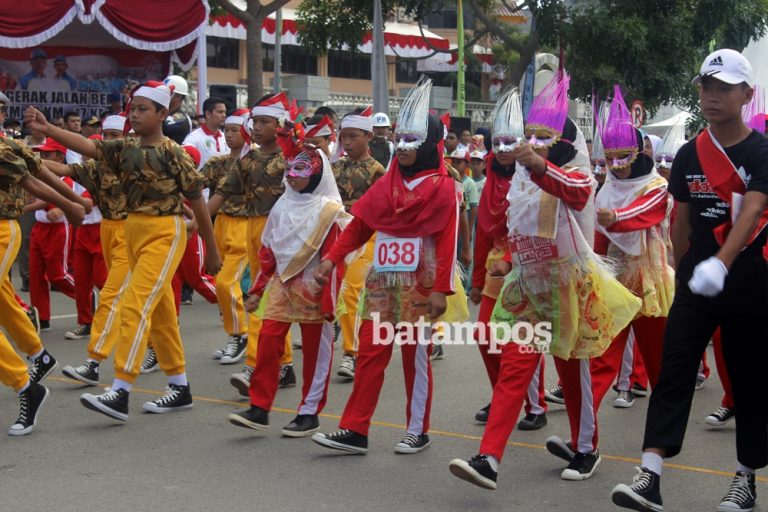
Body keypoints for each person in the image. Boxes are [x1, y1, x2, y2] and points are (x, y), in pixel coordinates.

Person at [449, 71, 641, 489]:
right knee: (515, 369)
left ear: (564, 143)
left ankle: (586, 447)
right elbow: (521, 229)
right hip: (530, 287)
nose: (534, 141)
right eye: (531, 134)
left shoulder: (579, 175)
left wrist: (538, 166)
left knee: (573, 372)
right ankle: (488, 458)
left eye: (544, 136)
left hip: (572, 287)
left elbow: (573, 191)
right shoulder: (521, 179)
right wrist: (506, 263)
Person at [611, 48, 768, 512]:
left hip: (749, 278)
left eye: (723, 88)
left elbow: (755, 208)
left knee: (749, 377)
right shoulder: (688, 155)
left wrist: (722, 261)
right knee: (674, 369)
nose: (712, 96)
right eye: (706, 86)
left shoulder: (761, 151)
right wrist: (684, 270)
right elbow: (680, 220)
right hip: (697, 278)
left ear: (746, 93)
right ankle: (650, 474)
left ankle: (745, 478)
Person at [25, 81, 222, 421]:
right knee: (160, 312)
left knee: (133, 303)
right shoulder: (125, 148)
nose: (135, 114)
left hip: (164, 230)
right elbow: (88, 147)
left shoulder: (173, 153)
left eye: (143, 109)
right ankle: (179, 386)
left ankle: (120, 388)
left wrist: (212, 251)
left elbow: (197, 202)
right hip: (132, 229)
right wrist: (47, 128)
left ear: (163, 113)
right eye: (132, 109)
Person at [311, 78, 461, 454]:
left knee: (415, 353)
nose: (405, 147)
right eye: (401, 138)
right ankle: (355, 429)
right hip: (382, 277)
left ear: (429, 144)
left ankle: (417, 429)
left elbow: (448, 239)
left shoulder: (443, 187)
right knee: (371, 348)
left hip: (422, 279)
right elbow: (362, 223)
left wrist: (442, 288)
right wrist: (332, 258)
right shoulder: (389, 181)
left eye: (414, 140)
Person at [227, 121, 349, 437]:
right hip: (282, 286)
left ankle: (309, 412)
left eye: (302, 170)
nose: (293, 175)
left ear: (318, 174)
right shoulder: (283, 205)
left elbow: (334, 260)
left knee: (315, 352)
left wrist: (329, 301)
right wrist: (256, 290)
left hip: (315, 290)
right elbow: (270, 252)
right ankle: (259, 408)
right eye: (291, 169)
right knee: (268, 341)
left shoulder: (328, 210)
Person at [588, 84, 674, 423]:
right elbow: (598, 238)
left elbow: (648, 211)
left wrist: (618, 218)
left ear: (638, 153)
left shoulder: (657, 186)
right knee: (600, 359)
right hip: (615, 284)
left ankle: (664, 433)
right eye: (610, 159)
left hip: (651, 284)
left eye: (623, 157)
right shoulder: (606, 188)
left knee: (659, 365)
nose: (617, 165)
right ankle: (583, 437)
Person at [468, 88, 548, 429]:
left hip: (530, 263)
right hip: (495, 271)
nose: (502, 151)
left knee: (524, 339)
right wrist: (474, 281)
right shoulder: (490, 179)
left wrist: (513, 261)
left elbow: (541, 228)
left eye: (509, 143)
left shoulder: (536, 178)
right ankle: (505, 396)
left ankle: (535, 406)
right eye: (496, 143)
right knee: (485, 336)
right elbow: (484, 232)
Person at [208, 92, 295, 396]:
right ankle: (283, 365)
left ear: (280, 124)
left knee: (263, 298)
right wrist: (195, 224)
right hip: (253, 231)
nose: (256, 127)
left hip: (282, 232)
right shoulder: (247, 160)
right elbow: (220, 194)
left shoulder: (292, 157)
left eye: (264, 121)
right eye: (255, 121)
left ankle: (254, 363)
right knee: (269, 299)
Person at [0, 134, 85, 435]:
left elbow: (34, 179)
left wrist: (72, 204)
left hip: (2, 229)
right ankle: (39, 355)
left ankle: (25, 387)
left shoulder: (4, 147)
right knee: (5, 301)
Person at [332, 106, 386, 380]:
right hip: (336, 235)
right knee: (334, 291)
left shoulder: (378, 171)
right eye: (344, 137)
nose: (348, 142)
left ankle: (351, 354)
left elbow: (382, 209)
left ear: (368, 136)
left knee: (349, 290)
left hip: (367, 237)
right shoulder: (334, 168)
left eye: (354, 136)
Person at [203, 109, 251, 364]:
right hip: (219, 225)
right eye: (228, 130)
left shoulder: (255, 162)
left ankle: (239, 335)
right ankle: (236, 336)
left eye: (235, 130)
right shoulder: (217, 163)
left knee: (227, 284)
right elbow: (192, 186)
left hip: (245, 227)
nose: (229, 134)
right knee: (221, 283)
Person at [28, 139, 77, 332]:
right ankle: (42, 317)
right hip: (39, 229)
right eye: (42, 154)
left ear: (60, 157)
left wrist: (59, 210)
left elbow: (66, 201)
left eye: (48, 155)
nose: (43, 158)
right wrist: (24, 208)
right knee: (36, 276)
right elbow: (42, 201)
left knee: (57, 275)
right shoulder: (40, 179)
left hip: (58, 230)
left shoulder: (66, 181)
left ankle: (85, 296)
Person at [183, 97, 229, 167]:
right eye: (220, 112)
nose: (224, 115)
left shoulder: (226, 138)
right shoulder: (194, 138)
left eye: (225, 112)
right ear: (208, 114)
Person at [162, 75, 193, 145]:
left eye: (166, 92)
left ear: (178, 96)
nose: (161, 94)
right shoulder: (163, 112)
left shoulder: (180, 118)